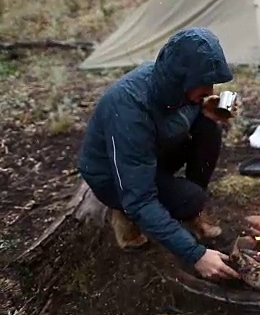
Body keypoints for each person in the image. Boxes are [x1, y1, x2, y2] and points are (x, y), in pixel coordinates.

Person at [77, 27, 243, 281]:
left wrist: (206, 107)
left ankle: (189, 210)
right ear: (181, 77)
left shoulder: (172, 87)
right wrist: (195, 254)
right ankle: (122, 213)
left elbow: (176, 114)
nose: (209, 88)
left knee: (208, 128)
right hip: (112, 176)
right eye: (203, 83)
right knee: (178, 199)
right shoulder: (129, 108)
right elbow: (140, 199)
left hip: (150, 153)